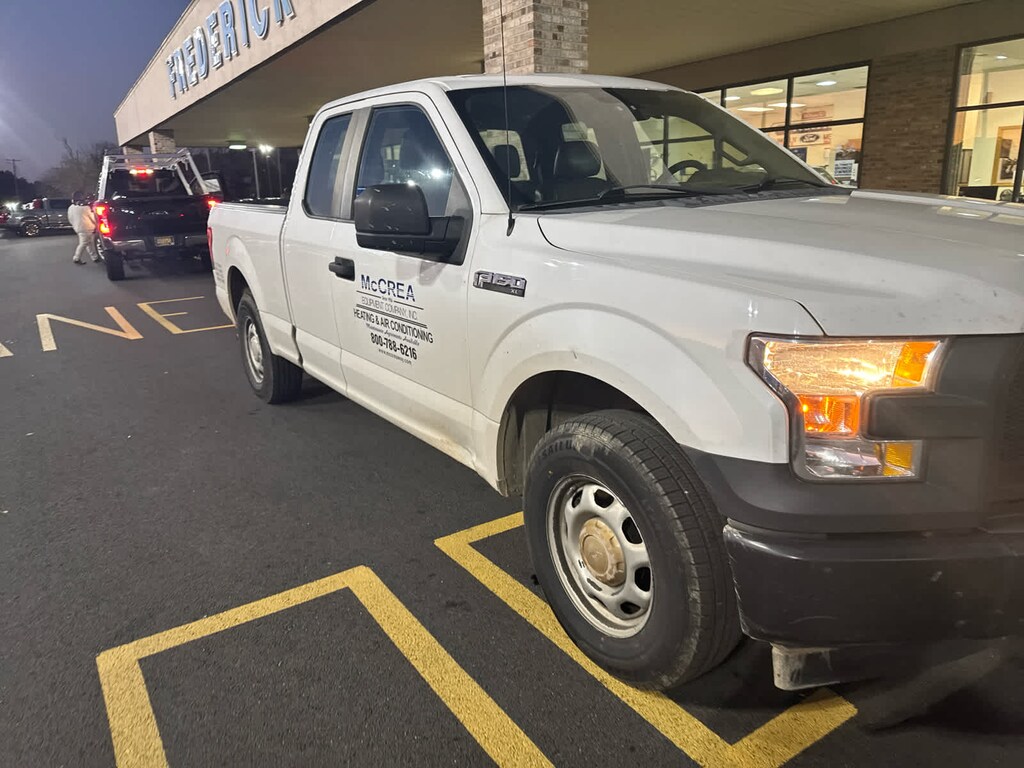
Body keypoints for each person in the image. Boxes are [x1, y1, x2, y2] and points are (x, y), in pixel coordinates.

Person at [68, 192, 99, 264]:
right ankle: (76, 258)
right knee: (84, 243)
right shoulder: (85, 208)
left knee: (89, 243)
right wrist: (96, 224)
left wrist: (74, 225)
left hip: (78, 227)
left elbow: (70, 218)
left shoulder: (71, 208)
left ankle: (94, 257)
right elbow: (92, 218)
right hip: (87, 227)